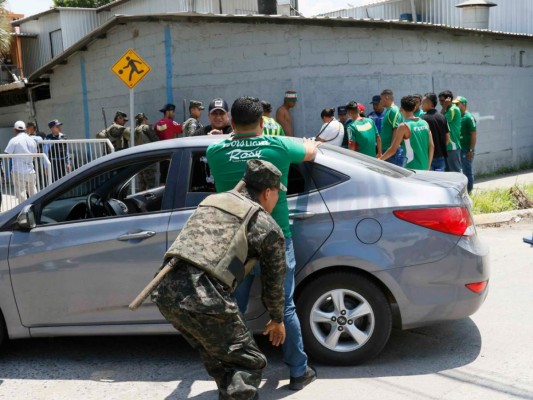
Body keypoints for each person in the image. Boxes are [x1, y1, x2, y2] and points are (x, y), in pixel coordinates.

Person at [206, 96, 319, 391]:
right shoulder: (277, 146)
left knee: (233, 309)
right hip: (274, 239)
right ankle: (298, 371)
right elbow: (311, 151)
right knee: (285, 308)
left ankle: (239, 375)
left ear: (231, 122)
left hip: (235, 245)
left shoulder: (215, 150)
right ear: (262, 122)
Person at [152, 159, 288, 400]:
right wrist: (277, 319)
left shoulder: (212, 202)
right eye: (278, 193)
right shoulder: (267, 227)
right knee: (250, 362)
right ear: (267, 192)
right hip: (205, 296)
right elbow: (274, 283)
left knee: (219, 357)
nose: (277, 199)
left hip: (165, 292)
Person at [381, 95, 434, 170]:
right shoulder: (425, 123)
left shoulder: (403, 126)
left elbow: (393, 149)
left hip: (411, 167)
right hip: (425, 167)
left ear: (401, 108)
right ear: (414, 107)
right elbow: (431, 146)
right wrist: (428, 165)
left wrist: (379, 160)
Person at [5, 121, 38, 202]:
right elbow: (34, 156)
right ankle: (37, 209)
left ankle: (25, 213)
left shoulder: (14, 140)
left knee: (22, 195)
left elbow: (7, 154)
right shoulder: (31, 140)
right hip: (30, 171)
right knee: (34, 194)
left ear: (15, 130)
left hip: (18, 171)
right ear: (25, 129)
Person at [421, 93, 450, 172]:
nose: (421, 105)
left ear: (428, 103)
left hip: (428, 157)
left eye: (423, 103)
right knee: (440, 181)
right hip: (441, 157)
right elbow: (448, 139)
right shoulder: (442, 117)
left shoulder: (422, 119)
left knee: (429, 182)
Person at [454, 96, 477, 193]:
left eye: (457, 104)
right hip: (459, 148)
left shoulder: (468, 117)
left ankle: (469, 191)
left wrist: (471, 150)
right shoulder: (458, 116)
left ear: (464, 105)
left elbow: (474, 134)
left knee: (467, 170)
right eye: (454, 104)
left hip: (466, 149)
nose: (455, 106)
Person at [134, 113, 160, 191]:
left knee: (142, 185)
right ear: (144, 119)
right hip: (149, 160)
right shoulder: (146, 128)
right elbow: (156, 141)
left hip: (139, 160)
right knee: (151, 185)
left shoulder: (135, 130)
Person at [380, 89, 405, 166]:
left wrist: (392, 150)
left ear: (387, 97)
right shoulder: (388, 111)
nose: (380, 101)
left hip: (392, 154)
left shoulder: (394, 111)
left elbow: (396, 129)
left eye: (381, 99)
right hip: (387, 152)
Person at [439, 90, 462, 172]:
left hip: (452, 145)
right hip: (447, 146)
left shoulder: (453, 109)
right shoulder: (447, 110)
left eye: (442, 101)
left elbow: (440, 121)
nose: (441, 103)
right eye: (440, 101)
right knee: (448, 172)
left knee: (455, 170)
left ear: (448, 100)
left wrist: (444, 107)